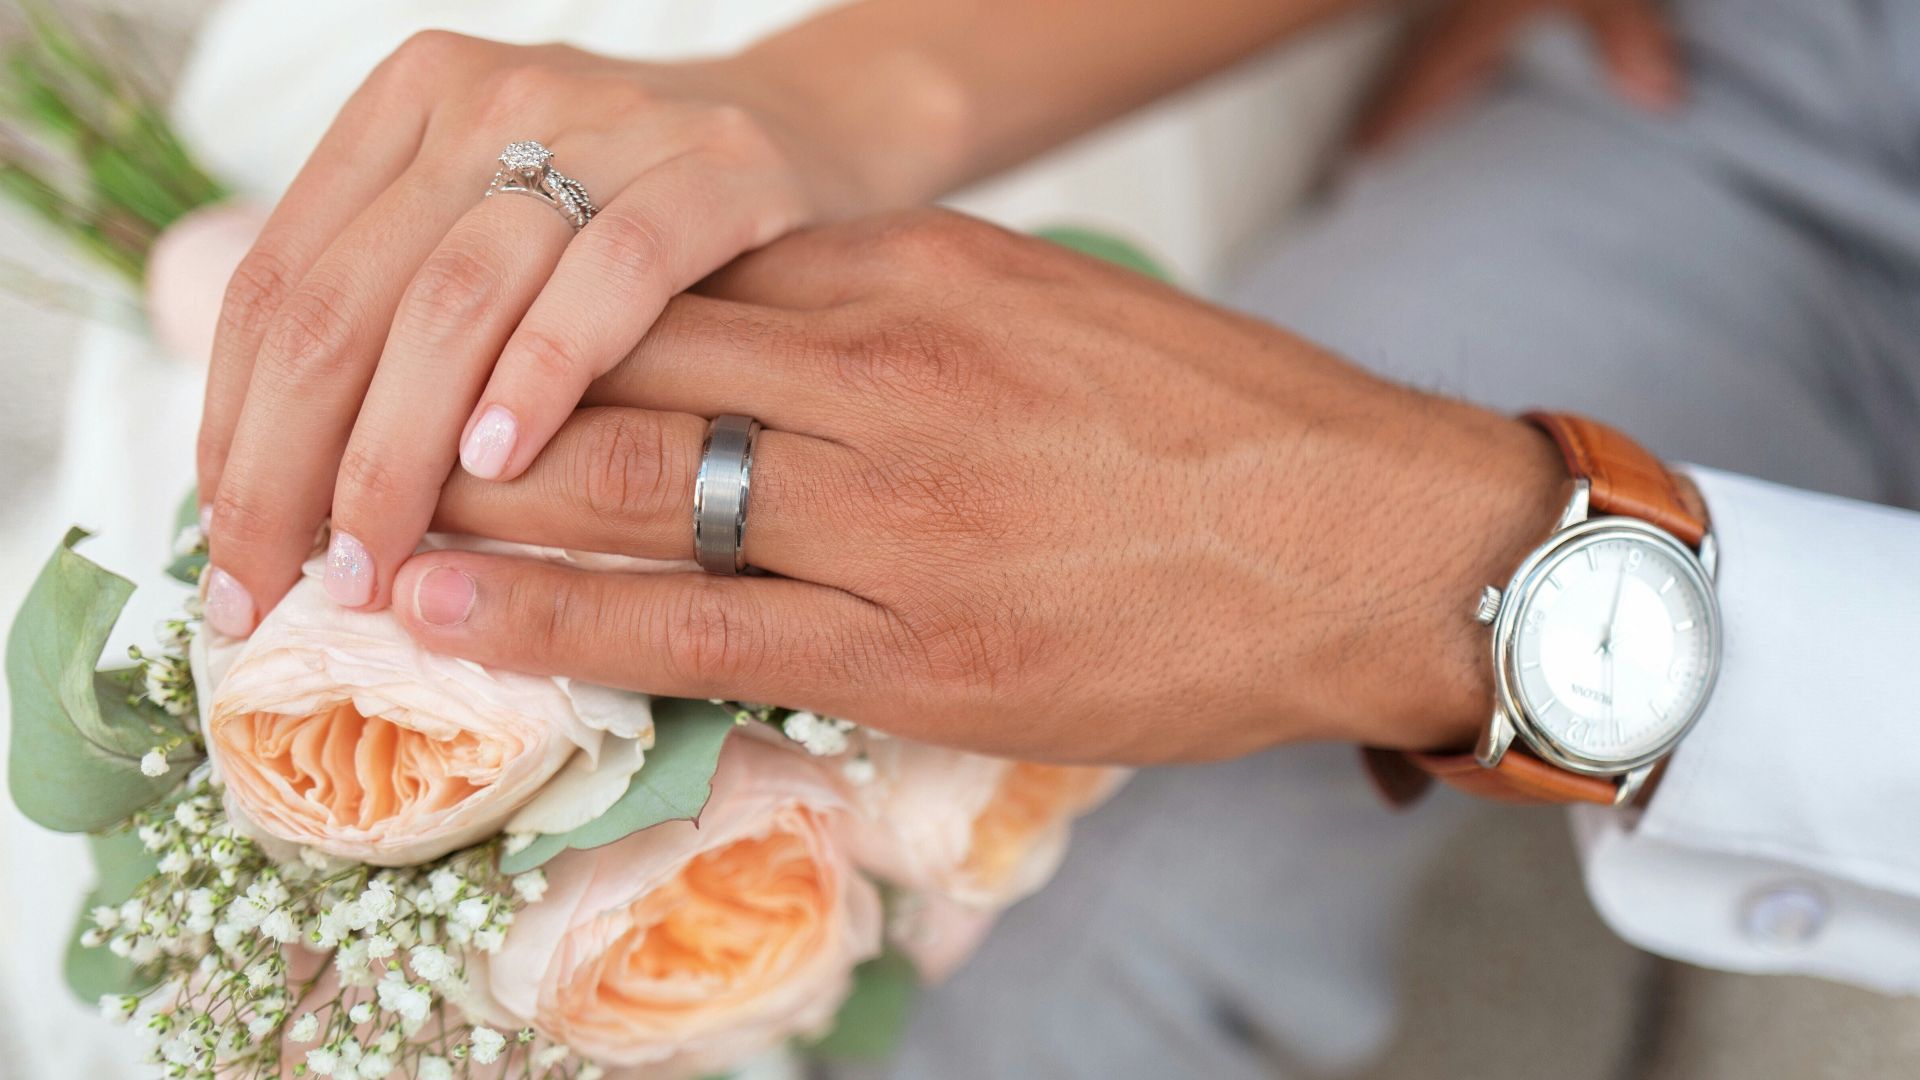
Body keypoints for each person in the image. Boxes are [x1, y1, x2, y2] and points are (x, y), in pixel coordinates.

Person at [192, 0, 1920, 1074]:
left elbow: (1386, 558)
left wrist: (1429, 568)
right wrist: (844, 92)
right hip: (1762, 92)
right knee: (1079, 904)